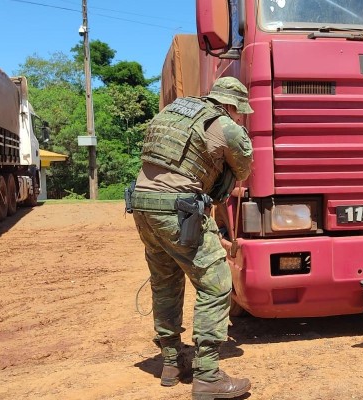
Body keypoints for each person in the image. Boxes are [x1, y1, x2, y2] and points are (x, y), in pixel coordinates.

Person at [130, 76, 254, 399]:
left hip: (141, 205)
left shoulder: (175, 111)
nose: (240, 117)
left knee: (165, 280)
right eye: (240, 111)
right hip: (177, 208)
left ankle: (171, 362)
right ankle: (208, 375)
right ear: (231, 105)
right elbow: (244, 167)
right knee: (216, 282)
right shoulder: (224, 124)